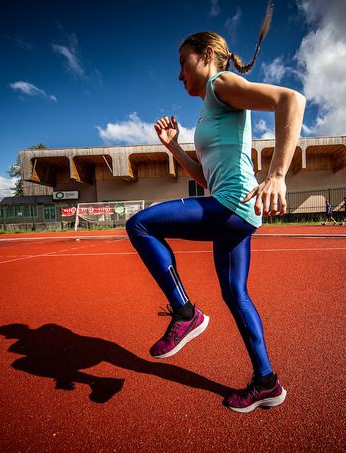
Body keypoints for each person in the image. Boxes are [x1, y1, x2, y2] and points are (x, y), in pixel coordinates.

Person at [125, 4, 305, 413]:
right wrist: (172, 147)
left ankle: (184, 312)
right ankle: (266, 382)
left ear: (206, 56)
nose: (178, 74)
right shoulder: (210, 104)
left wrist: (277, 174)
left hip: (232, 207)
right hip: (232, 209)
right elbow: (206, 180)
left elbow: (291, 100)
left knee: (140, 225)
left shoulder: (222, 83)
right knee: (235, 295)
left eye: (182, 62)